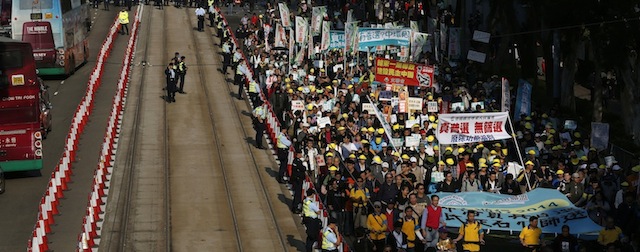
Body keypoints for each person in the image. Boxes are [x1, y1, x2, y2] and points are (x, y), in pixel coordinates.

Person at [290, 148, 306, 213]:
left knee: (297, 194)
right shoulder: (298, 161)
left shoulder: (295, 161)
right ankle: (295, 207)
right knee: (297, 194)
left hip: (296, 179)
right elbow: (303, 168)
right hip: (298, 180)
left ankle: (294, 206)